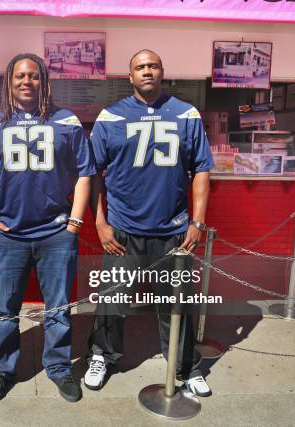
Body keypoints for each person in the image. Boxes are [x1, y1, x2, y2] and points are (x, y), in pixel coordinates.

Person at [83, 49, 214, 397]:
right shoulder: (111, 116)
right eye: (140, 67)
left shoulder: (186, 113)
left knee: (178, 306)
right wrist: (100, 221)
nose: (147, 71)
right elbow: (92, 172)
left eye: (152, 66)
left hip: (172, 230)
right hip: (123, 229)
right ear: (130, 76)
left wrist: (198, 223)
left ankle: (185, 367)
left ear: (162, 71)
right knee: (112, 299)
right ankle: (102, 355)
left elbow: (201, 168)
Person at [0, 53, 95, 403]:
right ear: (8, 82)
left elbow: (85, 172)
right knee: (3, 311)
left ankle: (58, 368)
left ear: (44, 82)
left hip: (56, 233)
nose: (27, 81)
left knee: (58, 309)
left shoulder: (66, 121)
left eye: (34, 76)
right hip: (7, 235)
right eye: (20, 76)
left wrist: (75, 222)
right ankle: (2, 370)